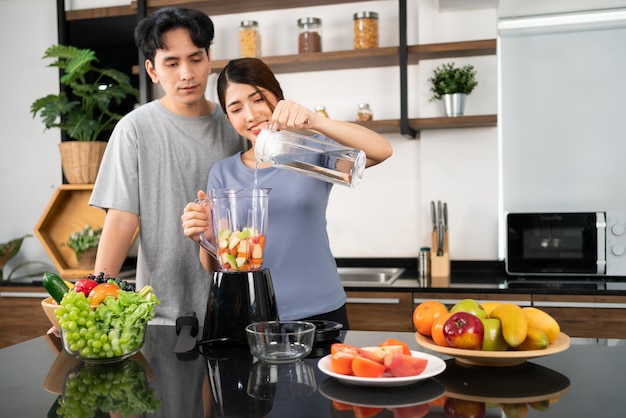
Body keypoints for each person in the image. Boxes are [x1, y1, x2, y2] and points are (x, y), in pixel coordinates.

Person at [181, 58, 393, 328]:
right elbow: (217, 267)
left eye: (258, 99)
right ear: (228, 118)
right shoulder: (222, 173)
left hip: (321, 311)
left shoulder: (311, 155)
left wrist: (315, 121)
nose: (250, 115)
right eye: (236, 108)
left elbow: (381, 150)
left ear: (278, 97)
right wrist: (206, 240)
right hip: (251, 316)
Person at [89, 7, 247, 325]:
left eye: (195, 58)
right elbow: (121, 220)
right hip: (161, 312)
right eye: (172, 63)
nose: (186, 73)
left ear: (209, 58)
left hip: (234, 307)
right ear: (152, 70)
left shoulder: (237, 125)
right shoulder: (133, 128)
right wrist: (93, 298)